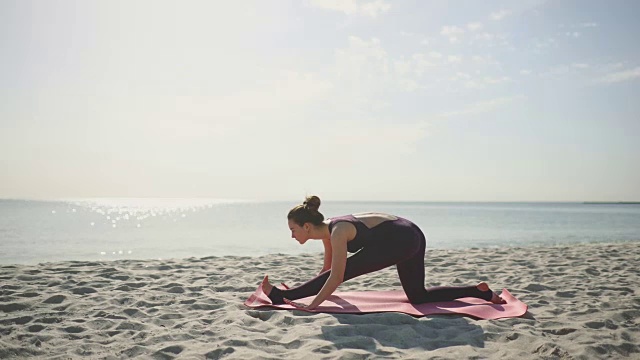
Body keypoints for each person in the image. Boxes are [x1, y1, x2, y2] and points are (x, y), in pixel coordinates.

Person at [262, 196, 506, 310]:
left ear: (306, 227)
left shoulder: (337, 233)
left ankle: (281, 296)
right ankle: (479, 292)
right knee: (418, 296)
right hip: (413, 234)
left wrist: (313, 304)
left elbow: (336, 276)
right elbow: (327, 270)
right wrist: (320, 292)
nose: (292, 235)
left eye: (293, 229)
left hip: (401, 239)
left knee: (346, 271)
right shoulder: (329, 230)